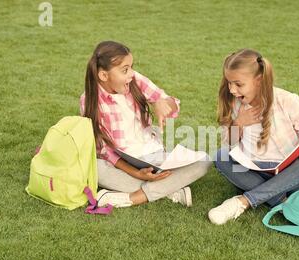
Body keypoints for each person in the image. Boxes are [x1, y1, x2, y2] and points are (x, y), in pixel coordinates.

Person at [80, 41, 211, 208]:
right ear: (104, 76)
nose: (131, 74)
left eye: (131, 67)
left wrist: (160, 102)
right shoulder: (90, 100)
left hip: (152, 155)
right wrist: (137, 173)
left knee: (204, 161)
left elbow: (172, 104)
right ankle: (171, 190)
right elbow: (104, 149)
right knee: (95, 168)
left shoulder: (134, 81)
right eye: (125, 70)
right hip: (124, 162)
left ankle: (134, 197)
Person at [209, 48, 299, 225]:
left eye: (238, 84)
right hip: (252, 171)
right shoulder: (234, 105)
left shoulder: (287, 100)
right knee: (221, 156)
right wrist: (238, 123)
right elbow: (229, 144)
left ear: (258, 80)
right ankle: (280, 200)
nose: (232, 89)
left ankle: (244, 201)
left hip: (288, 171)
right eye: (229, 83)